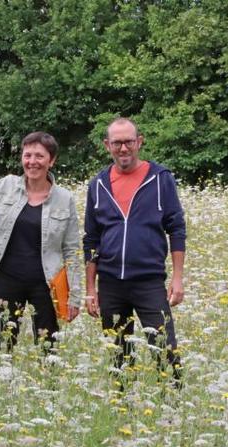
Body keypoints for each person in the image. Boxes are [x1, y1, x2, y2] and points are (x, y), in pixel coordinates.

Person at [0, 132, 82, 353]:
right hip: (7, 279)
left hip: (46, 284)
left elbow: (71, 250)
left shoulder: (65, 199)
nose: (32, 162)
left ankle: (48, 385)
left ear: (51, 161)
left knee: (47, 348)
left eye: (39, 156)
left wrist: (75, 296)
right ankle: (2, 383)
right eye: (27, 155)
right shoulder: (6, 186)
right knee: (1, 344)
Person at [83, 117, 185, 387]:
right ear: (107, 146)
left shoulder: (161, 179)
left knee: (165, 350)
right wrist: (90, 289)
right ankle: (123, 414)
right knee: (118, 354)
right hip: (111, 283)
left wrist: (177, 278)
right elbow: (91, 239)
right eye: (117, 143)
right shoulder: (98, 185)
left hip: (149, 282)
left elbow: (176, 229)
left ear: (139, 142)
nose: (123, 148)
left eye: (129, 141)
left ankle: (173, 410)